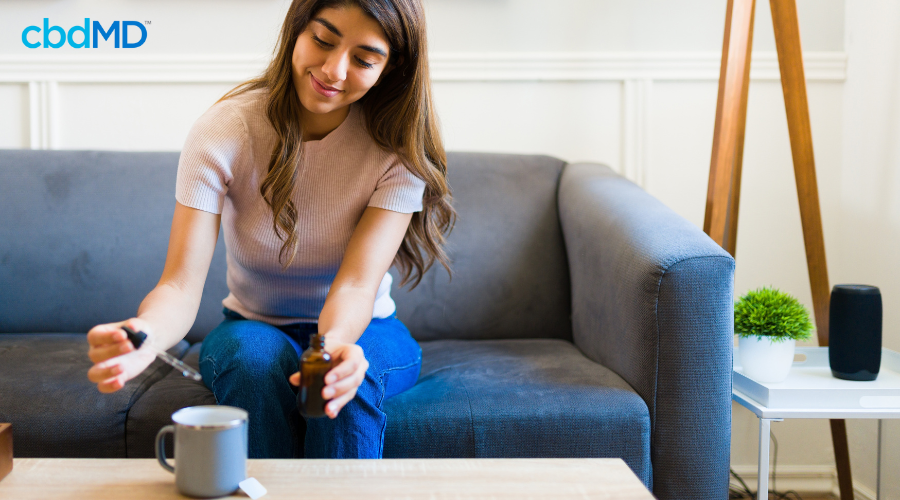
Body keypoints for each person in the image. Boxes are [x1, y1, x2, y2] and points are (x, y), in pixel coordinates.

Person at [85, 0, 454, 459]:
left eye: (363, 59)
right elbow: (179, 285)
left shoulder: (398, 150)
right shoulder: (225, 129)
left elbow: (358, 285)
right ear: (297, 29)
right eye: (322, 40)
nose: (334, 70)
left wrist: (333, 349)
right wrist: (144, 336)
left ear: (391, 65)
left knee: (343, 387)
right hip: (252, 325)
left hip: (365, 327)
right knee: (254, 365)